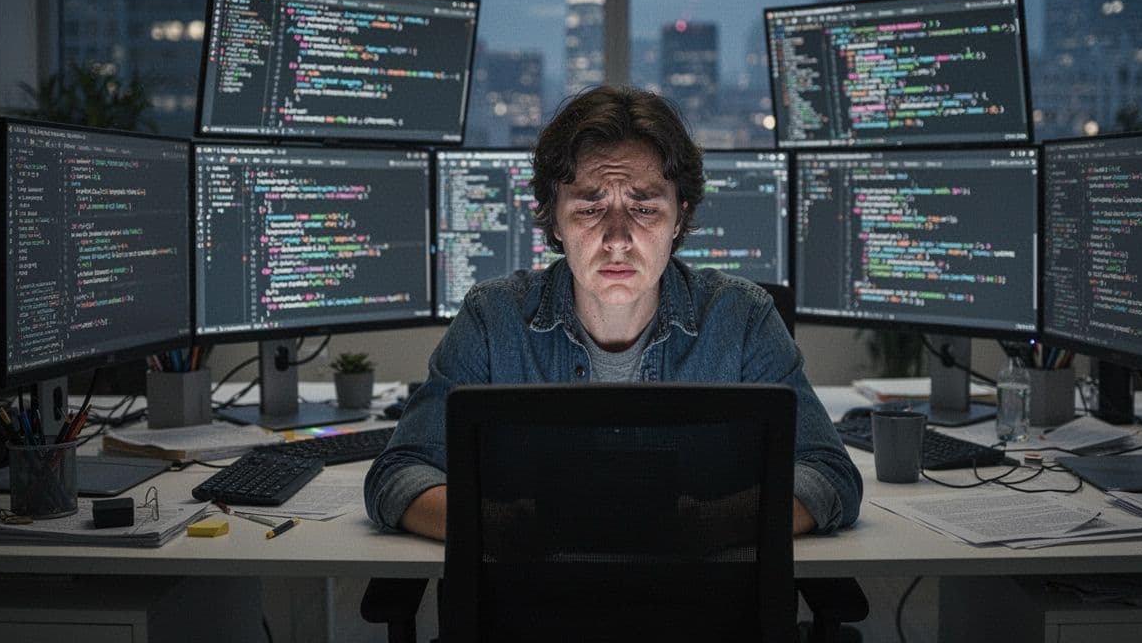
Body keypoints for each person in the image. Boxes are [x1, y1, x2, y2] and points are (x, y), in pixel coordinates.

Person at [365, 84, 862, 540]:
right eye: (589, 207)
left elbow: (827, 473)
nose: (618, 239)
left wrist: (687, 529)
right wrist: (528, 528)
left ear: (680, 217)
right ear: (553, 219)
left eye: (644, 208)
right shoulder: (494, 320)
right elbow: (401, 473)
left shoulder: (742, 319)